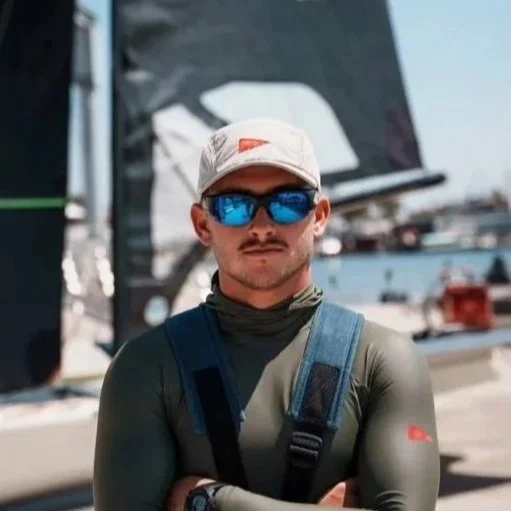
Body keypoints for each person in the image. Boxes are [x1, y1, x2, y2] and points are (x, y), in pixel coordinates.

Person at [93, 118, 440, 511]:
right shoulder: (146, 368)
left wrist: (211, 501)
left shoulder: (382, 361)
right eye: (234, 207)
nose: (261, 226)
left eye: (287, 203)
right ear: (203, 224)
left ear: (319, 216)